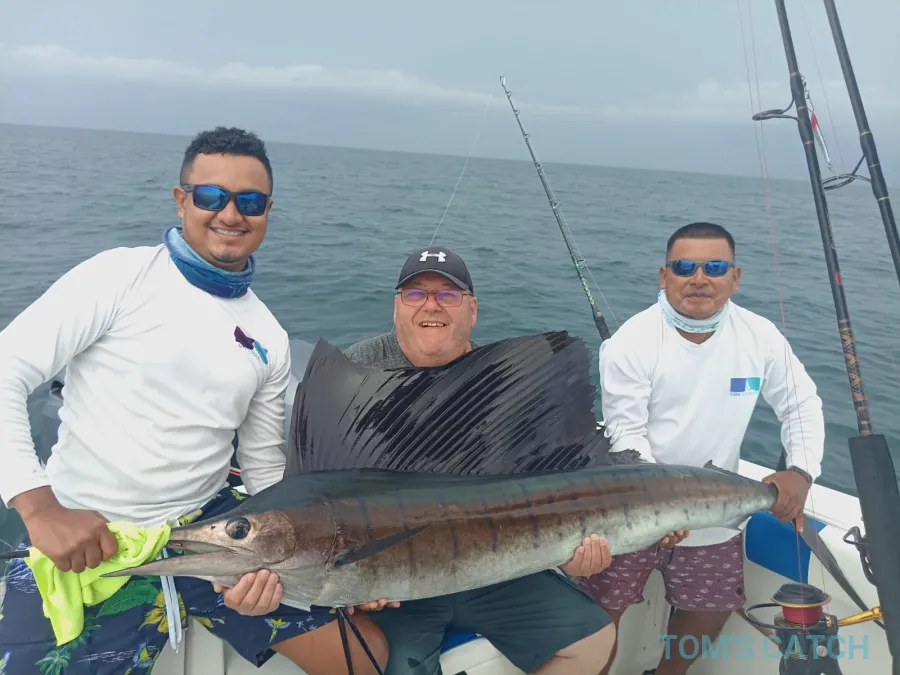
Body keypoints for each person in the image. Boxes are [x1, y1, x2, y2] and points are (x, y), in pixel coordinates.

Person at [0, 127, 388, 675]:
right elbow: (6, 369)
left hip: (214, 533)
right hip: (89, 535)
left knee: (362, 658)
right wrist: (39, 509)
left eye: (249, 201)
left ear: (267, 211)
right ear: (182, 200)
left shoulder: (268, 335)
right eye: (211, 196)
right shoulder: (117, 277)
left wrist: (309, 568)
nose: (230, 213)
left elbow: (264, 471)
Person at [343, 245, 618, 675]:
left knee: (594, 641)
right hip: (394, 575)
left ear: (472, 310)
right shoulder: (357, 370)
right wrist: (350, 578)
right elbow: (327, 488)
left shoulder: (506, 381)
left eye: (448, 295)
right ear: (396, 308)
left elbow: (550, 478)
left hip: (493, 564)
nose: (431, 305)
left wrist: (569, 550)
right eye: (415, 294)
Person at [580, 221, 825, 675]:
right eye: (684, 267)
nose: (699, 278)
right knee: (597, 616)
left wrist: (802, 470)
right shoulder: (630, 343)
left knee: (709, 610)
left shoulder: (760, 336)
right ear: (664, 276)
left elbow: (801, 403)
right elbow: (626, 435)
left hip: (715, 509)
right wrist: (661, 512)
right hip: (631, 505)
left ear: (735, 276)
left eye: (714, 267)